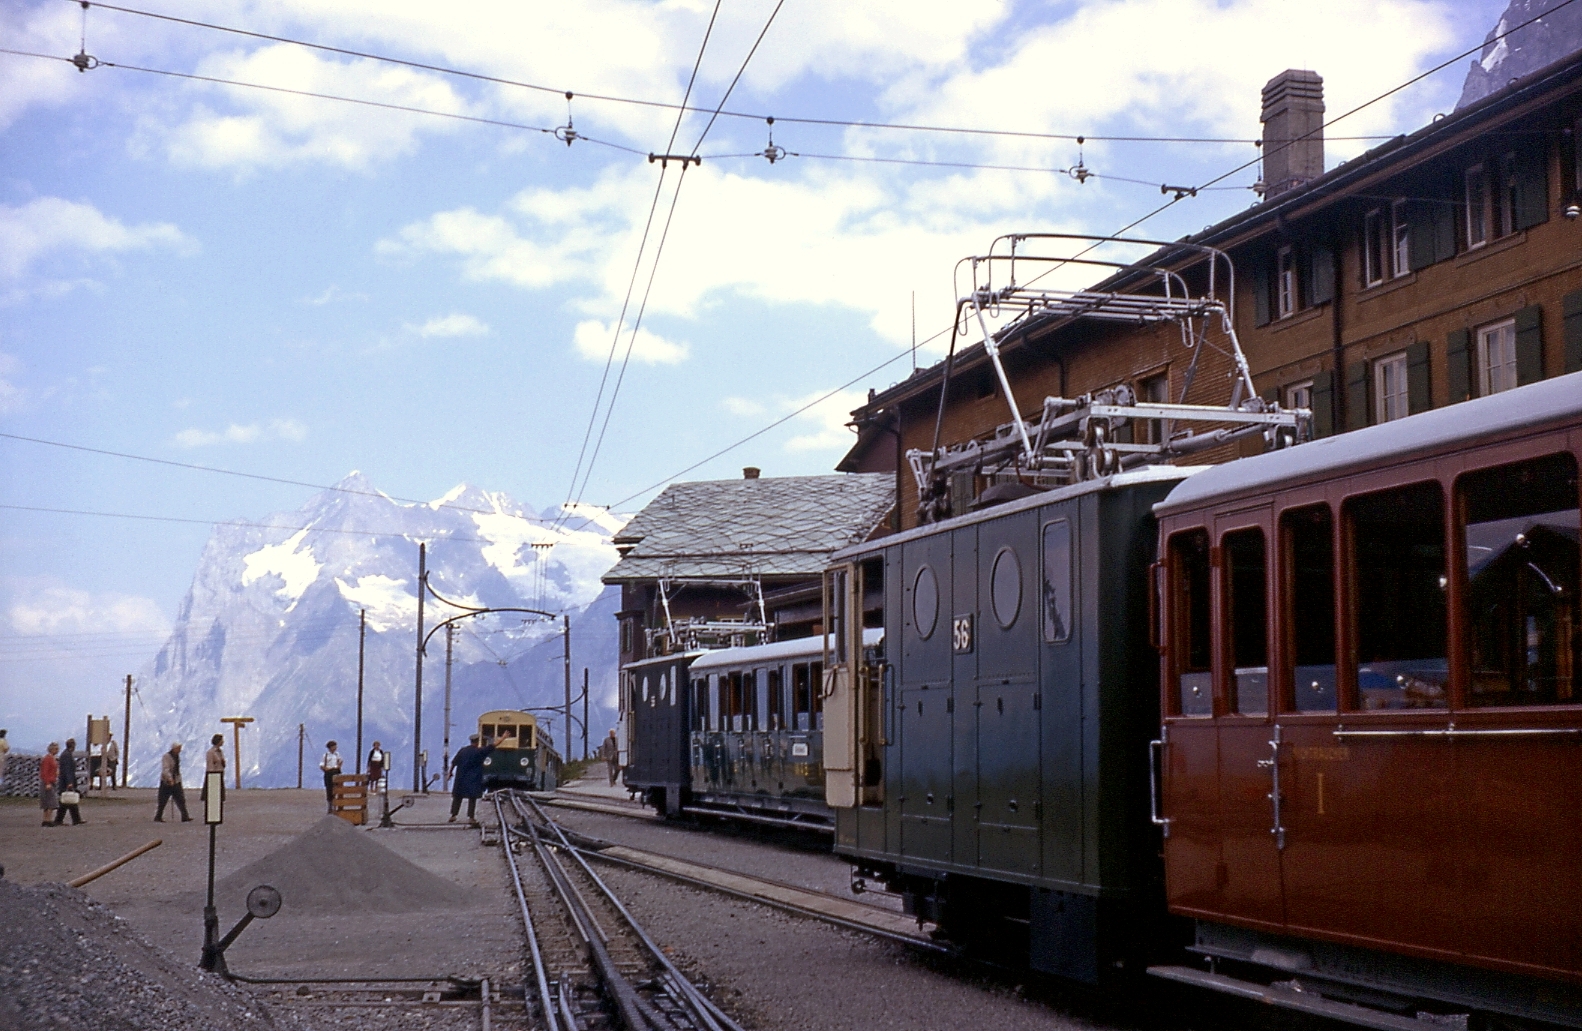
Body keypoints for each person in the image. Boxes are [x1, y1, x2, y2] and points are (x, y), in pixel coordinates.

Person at [448, 734, 490, 824]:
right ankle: (471, 817)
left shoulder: (462, 751)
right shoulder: (479, 752)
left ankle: (453, 815)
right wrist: (503, 738)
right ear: (478, 742)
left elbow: (454, 762)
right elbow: (491, 747)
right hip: (473, 779)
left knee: (458, 797)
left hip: (461, 778)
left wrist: (450, 773)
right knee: (472, 797)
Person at [155, 742, 191, 822]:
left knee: (180, 799)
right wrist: (170, 779)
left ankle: (185, 816)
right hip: (167, 782)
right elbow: (165, 769)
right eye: (178, 748)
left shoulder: (176, 756)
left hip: (176, 780)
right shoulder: (167, 757)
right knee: (163, 800)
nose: (180, 750)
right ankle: (158, 816)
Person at [54, 737, 83, 825]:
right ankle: (74, 819)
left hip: (65, 781)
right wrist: (70, 782)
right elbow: (68, 770)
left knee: (67, 801)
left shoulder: (65, 754)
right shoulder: (67, 755)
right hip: (66, 782)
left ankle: (72, 819)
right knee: (68, 801)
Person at [201, 733, 225, 807]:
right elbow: (210, 765)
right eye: (221, 740)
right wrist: (212, 776)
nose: (223, 742)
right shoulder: (211, 752)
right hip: (214, 775)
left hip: (219, 774)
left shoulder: (220, 751)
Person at [39, 742, 59, 827]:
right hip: (48, 782)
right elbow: (44, 772)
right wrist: (47, 783)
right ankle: (47, 819)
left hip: (52, 781)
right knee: (50, 802)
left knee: (48, 802)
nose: (57, 751)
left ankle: (46, 819)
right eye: (56, 749)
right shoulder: (47, 759)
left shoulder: (52, 758)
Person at [320, 741, 343, 813]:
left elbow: (341, 761)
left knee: (336, 788)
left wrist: (339, 766)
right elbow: (321, 764)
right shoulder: (326, 755)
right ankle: (330, 805)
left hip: (335, 771)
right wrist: (325, 769)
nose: (335, 748)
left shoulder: (337, 754)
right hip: (329, 772)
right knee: (329, 789)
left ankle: (336, 804)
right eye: (334, 746)